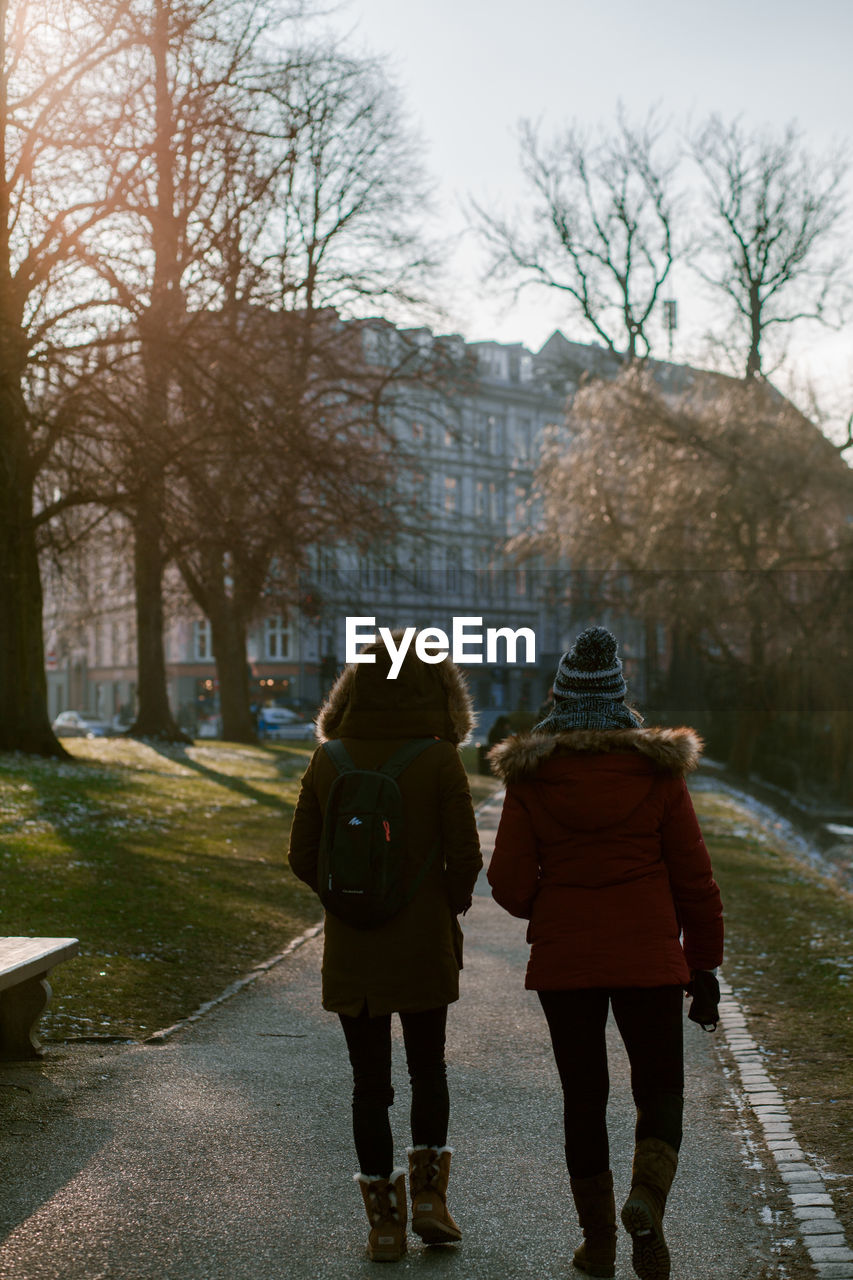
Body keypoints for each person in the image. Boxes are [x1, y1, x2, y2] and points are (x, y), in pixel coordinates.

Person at [487, 627, 723, 1280]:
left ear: (559, 699)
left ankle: (597, 1247)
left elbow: (506, 884)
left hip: (566, 964)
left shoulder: (531, 775)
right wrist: (703, 964)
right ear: (621, 700)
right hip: (649, 957)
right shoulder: (659, 774)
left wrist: (553, 909)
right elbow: (694, 880)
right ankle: (645, 1200)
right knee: (659, 1089)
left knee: (582, 1099)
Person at [288, 634, 482, 1263]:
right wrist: (443, 904)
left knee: (369, 1086)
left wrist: (347, 900)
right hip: (423, 943)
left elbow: (300, 855)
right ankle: (430, 1200)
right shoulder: (439, 758)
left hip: (353, 951)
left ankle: (384, 1225)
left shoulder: (330, 758)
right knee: (429, 1068)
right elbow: (466, 857)